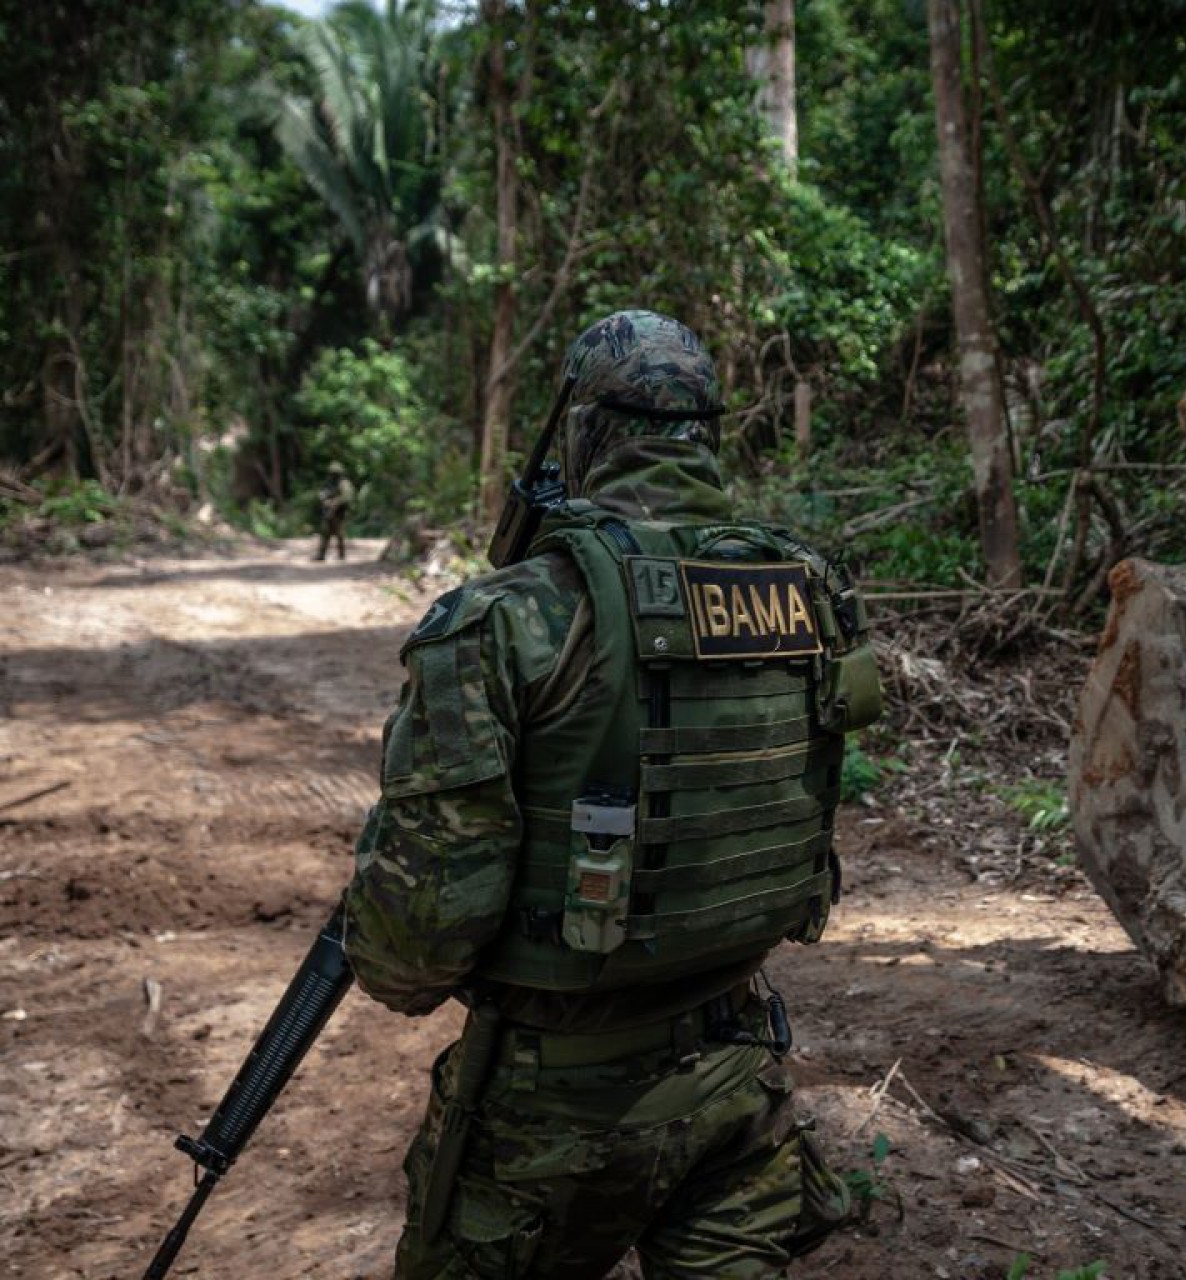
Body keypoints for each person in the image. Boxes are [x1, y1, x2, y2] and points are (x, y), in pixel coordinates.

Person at [341, 310, 883, 1278]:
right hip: (738, 1084)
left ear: (584, 434)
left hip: (549, 1130)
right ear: (706, 433)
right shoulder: (810, 593)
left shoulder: (510, 620)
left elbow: (408, 954)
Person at [316, 461, 356, 561]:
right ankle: (321, 555)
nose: (333, 475)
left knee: (339, 533)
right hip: (329, 511)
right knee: (325, 533)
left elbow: (347, 497)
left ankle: (341, 555)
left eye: (335, 473)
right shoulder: (329, 483)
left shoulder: (344, 483)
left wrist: (335, 502)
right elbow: (322, 493)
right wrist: (324, 500)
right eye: (332, 473)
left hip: (339, 512)